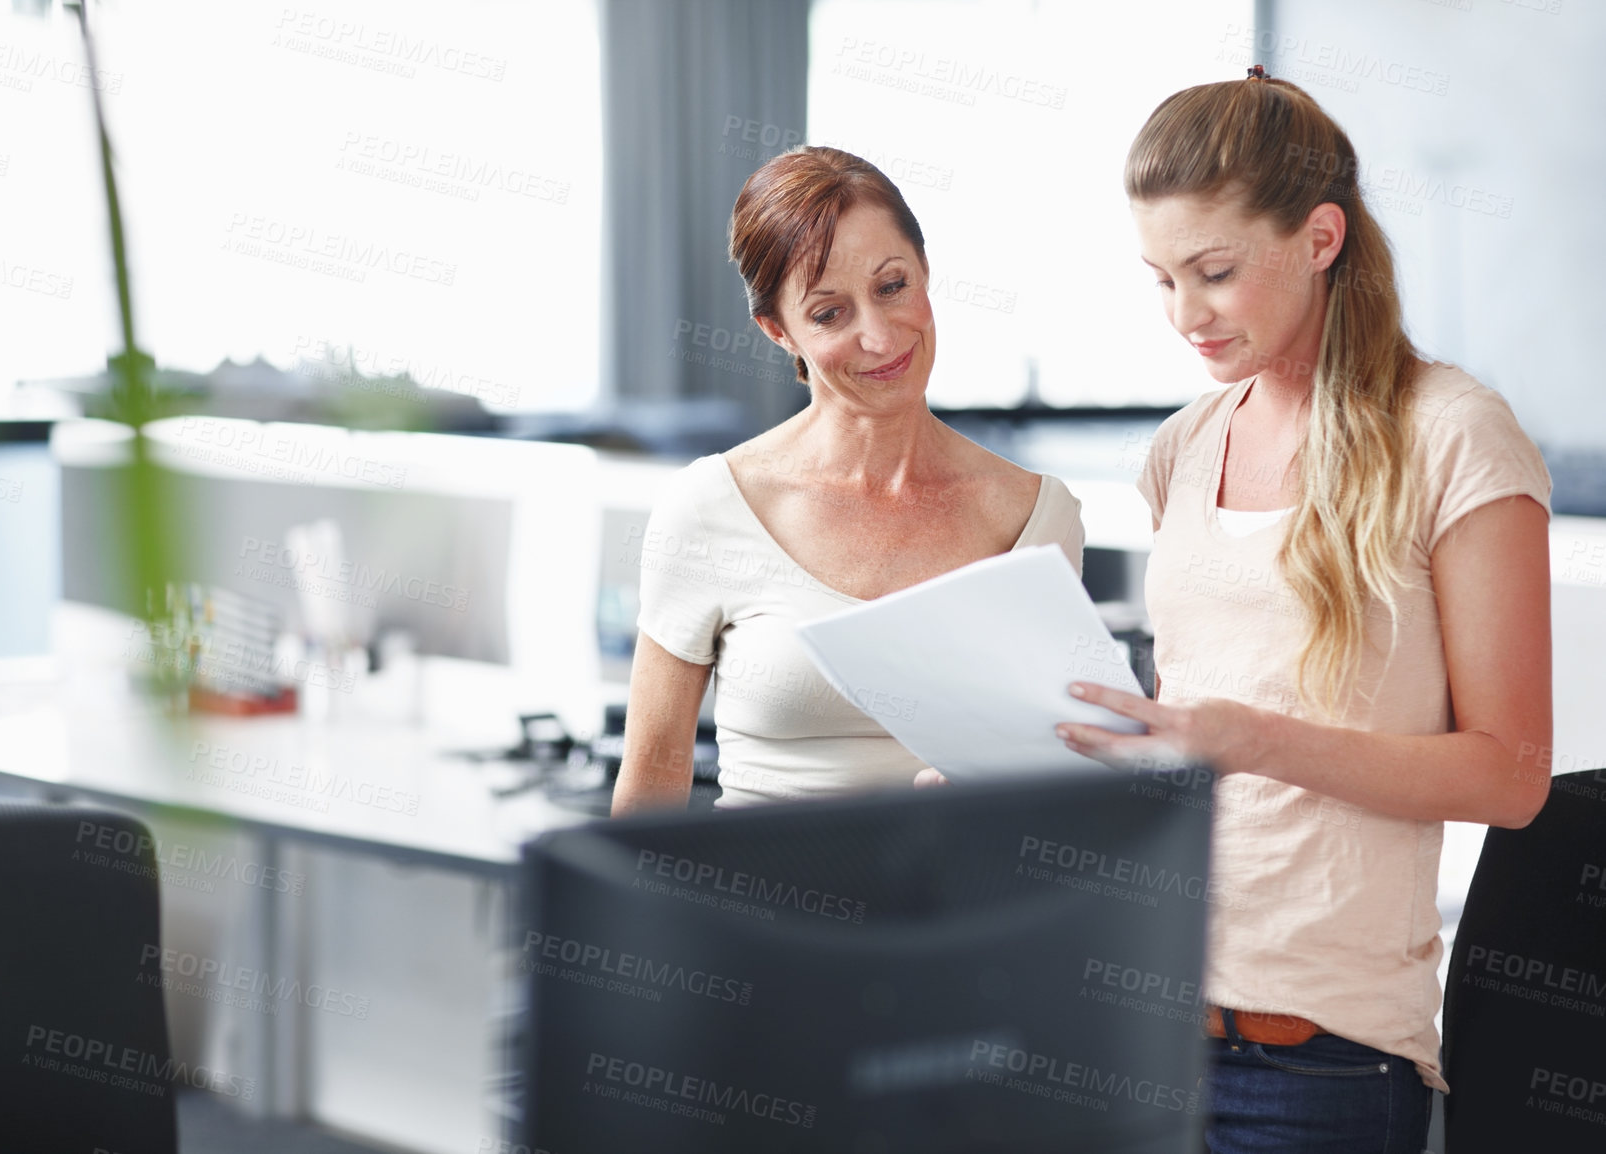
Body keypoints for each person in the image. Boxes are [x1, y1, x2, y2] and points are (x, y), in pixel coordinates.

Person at [1052, 71, 1552, 1151]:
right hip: (1137, 1015)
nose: (1186, 314)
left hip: (1316, 1054)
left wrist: (1250, 739)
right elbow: (1178, 736)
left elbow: (1509, 776)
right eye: (1162, 280)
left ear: (1320, 236)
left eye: (1215, 273)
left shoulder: (1454, 435)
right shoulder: (1183, 446)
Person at [611, 146, 1084, 816]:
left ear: (924, 272)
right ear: (779, 332)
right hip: (764, 914)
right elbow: (650, 792)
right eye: (830, 313)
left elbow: (1059, 781)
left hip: (965, 915)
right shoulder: (712, 507)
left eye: (893, 287)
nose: (880, 337)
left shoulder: (1039, 516)